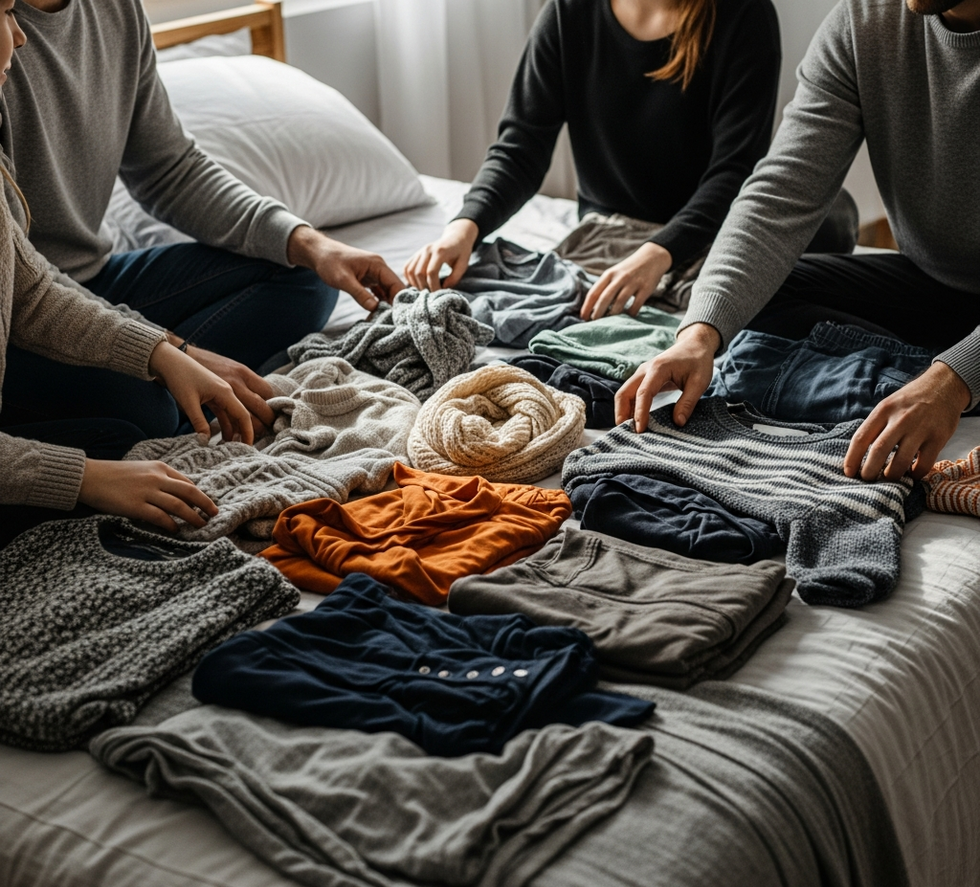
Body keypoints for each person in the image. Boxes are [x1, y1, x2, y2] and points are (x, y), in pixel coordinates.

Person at [0, 0, 404, 439]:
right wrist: (176, 352)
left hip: (94, 278)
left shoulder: (116, 9)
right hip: (21, 310)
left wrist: (312, 244)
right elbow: (29, 293)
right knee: (146, 411)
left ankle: (176, 382)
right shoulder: (4, 37)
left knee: (308, 272)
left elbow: (169, 169)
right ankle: (166, 387)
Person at [617, 0, 980, 483]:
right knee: (751, 305)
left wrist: (952, 382)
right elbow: (780, 194)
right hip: (935, 286)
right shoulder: (864, 21)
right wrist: (698, 334)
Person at [0, 0, 254, 550]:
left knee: (298, 276)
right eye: (2, 14)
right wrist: (83, 476)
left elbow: (29, 293)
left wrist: (163, 352)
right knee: (128, 430)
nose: (20, 38)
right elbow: (36, 288)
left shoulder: (117, 12)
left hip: (84, 289)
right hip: (32, 336)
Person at [407, 0, 798, 321]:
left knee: (827, 219)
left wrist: (657, 253)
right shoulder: (569, 12)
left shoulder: (744, 15)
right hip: (607, 229)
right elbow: (521, 145)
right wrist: (465, 226)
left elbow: (735, 171)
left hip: (707, 231)